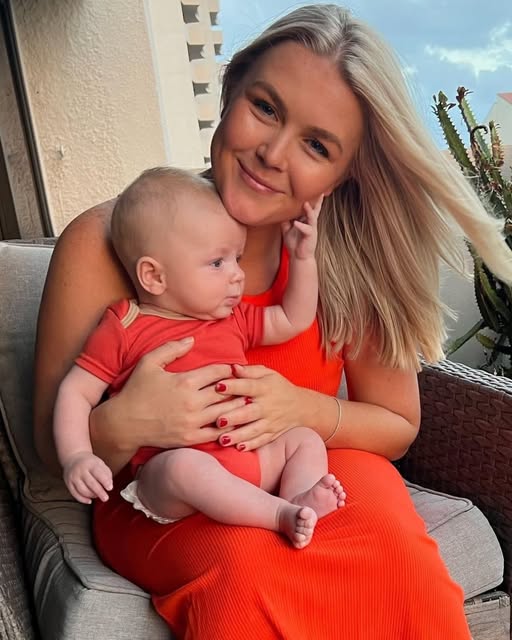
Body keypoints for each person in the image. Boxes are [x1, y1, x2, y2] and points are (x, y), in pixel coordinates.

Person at [33, 3, 512, 638]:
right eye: (265, 107)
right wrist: (129, 421)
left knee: (404, 566)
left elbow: (397, 425)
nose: (273, 153)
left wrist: (298, 409)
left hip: (307, 467)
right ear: (231, 89)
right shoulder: (110, 241)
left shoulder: (346, 257)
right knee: (245, 572)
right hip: (166, 493)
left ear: (344, 172)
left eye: (317, 145)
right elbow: (52, 449)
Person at [53, 166, 345, 549]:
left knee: (304, 439)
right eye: (218, 263)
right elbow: (76, 391)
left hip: (248, 458)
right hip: (174, 482)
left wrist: (303, 258)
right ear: (154, 276)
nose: (237, 275)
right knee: (183, 467)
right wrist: (76, 456)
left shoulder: (231, 318)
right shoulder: (125, 325)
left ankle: (298, 500)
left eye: (237, 258)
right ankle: (278, 515)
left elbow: (294, 318)